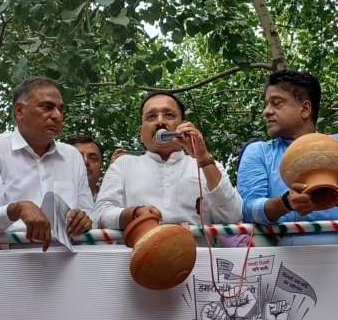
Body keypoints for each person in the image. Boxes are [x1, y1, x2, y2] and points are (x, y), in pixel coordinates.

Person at [237, 69, 338, 245]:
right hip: (279, 261)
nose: (266, 111)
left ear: (305, 108)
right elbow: (248, 211)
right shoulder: (258, 152)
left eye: (276, 103)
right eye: (266, 104)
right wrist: (285, 203)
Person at [0, 76, 93, 250]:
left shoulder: (73, 157)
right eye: (47, 107)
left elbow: (90, 215)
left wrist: (83, 220)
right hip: (4, 268)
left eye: (61, 109)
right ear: (19, 111)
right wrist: (15, 210)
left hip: (65, 265)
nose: (57, 116)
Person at [92, 91, 242, 230]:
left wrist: (203, 158)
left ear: (184, 125)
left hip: (198, 255)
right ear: (141, 134)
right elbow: (101, 214)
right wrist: (134, 214)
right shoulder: (123, 165)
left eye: (169, 115)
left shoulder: (206, 165)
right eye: (151, 117)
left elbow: (233, 216)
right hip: (134, 254)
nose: (160, 121)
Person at [66, 135, 103, 201]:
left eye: (93, 158)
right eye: (77, 157)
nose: (85, 161)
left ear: (101, 166)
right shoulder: (51, 197)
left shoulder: (117, 198)